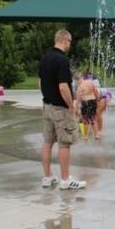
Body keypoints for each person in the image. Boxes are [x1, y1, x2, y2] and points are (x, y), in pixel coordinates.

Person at [39, 29, 86, 190]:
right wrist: (70, 105)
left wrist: (47, 96)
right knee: (64, 144)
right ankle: (65, 179)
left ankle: (47, 177)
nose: (69, 45)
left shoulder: (45, 58)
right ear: (65, 39)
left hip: (47, 106)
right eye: (70, 41)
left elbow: (40, 82)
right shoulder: (61, 60)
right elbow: (63, 87)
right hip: (60, 107)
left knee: (47, 142)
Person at [75, 73, 100, 141]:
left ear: (77, 80)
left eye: (76, 81)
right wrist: (97, 100)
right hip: (93, 100)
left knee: (85, 120)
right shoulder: (90, 82)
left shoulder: (80, 87)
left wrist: (77, 108)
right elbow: (96, 92)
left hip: (85, 102)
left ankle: (85, 136)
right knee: (93, 118)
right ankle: (97, 135)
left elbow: (78, 98)